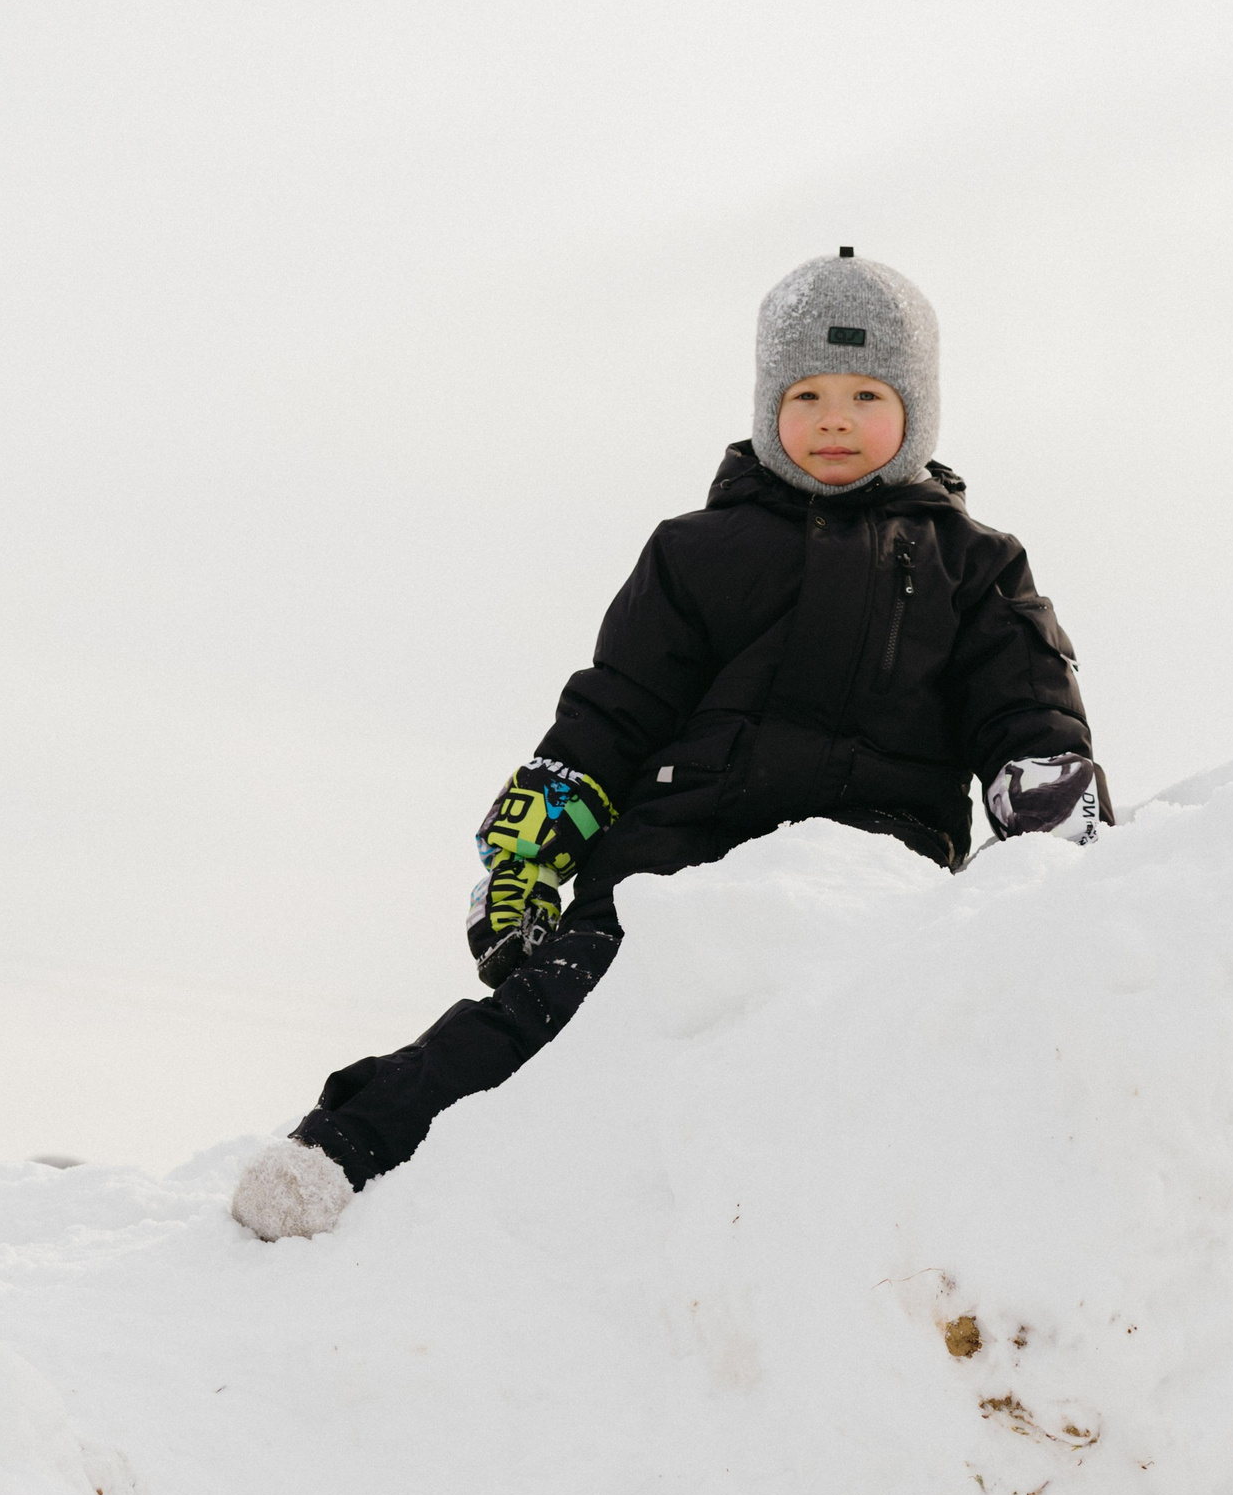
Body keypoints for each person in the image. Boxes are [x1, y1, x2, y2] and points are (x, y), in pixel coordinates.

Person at [229, 249, 1109, 1240]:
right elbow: (612, 713)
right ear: (768, 405)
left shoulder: (975, 568)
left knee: (876, 1061)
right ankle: (340, 1152)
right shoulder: (696, 552)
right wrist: (527, 856)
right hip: (667, 875)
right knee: (540, 1020)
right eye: (808, 394)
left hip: (862, 881)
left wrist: (1062, 860)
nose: (834, 418)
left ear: (918, 409)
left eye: (867, 394)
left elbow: (1028, 714)